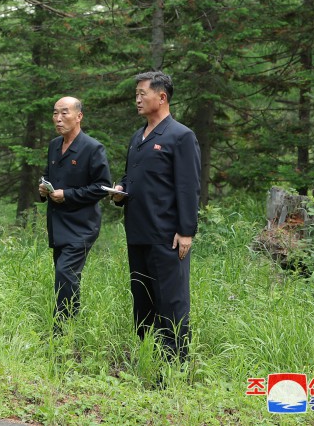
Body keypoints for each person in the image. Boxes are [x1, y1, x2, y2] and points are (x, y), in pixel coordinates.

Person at [110, 71, 200, 359]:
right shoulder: (138, 136)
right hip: (137, 232)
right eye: (136, 93)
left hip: (167, 236)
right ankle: (148, 357)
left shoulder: (181, 136)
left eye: (142, 93)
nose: (137, 99)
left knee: (170, 301)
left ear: (161, 97)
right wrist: (120, 190)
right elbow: (131, 178)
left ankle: (174, 365)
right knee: (143, 300)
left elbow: (188, 186)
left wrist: (186, 231)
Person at [38, 97, 111, 329]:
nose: (58, 119)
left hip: (81, 225)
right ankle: (66, 326)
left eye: (65, 113)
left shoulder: (92, 148)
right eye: (55, 113)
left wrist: (67, 195)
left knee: (65, 273)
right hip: (57, 224)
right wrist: (43, 189)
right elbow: (48, 176)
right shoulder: (53, 145)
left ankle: (63, 329)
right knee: (64, 276)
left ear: (79, 116)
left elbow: (101, 187)